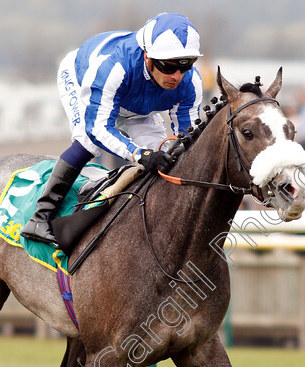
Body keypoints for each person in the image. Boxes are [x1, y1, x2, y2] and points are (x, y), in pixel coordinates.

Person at [21, 13, 204, 245]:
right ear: (148, 57)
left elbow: (185, 139)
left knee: (168, 154)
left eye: (186, 65)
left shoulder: (191, 83)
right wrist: (140, 155)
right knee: (89, 142)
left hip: (135, 103)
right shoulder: (115, 66)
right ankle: (41, 217)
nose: (177, 76)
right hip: (84, 77)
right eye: (168, 67)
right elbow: (98, 128)